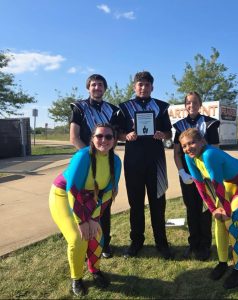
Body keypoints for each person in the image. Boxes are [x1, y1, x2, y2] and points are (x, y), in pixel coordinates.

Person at [179, 128, 238, 289]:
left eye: (192, 143)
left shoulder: (210, 154)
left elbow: (217, 185)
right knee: (219, 221)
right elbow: (200, 186)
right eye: (184, 146)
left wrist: (225, 210)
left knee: (232, 221)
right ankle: (222, 263)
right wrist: (213, 210)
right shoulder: (189, 157)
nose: (188, 148)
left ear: (202, 141)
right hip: (230, 182)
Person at [49, 124, 122, 296]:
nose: (103, 140)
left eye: (109, 137)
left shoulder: (116, 161)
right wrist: (82, 221)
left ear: (114, 141)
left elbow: (109, 192)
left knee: (97, 235)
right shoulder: (83, 156)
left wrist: (94, 219)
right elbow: (72, 190)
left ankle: (94, 270)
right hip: (63, 196)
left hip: (90, 197)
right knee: (78, 238)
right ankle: (77, 278)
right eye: (99, 136)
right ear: (92, 138)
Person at [117, 71, 173, 260]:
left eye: (147, 84)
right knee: (136, 204)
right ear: (134, 86)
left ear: (152, 87)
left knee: (158, 203)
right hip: (133, 162)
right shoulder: (124, 107)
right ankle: (136, 242)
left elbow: (169, 133)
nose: (143, 87)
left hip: (156, 161)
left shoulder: (162, 106)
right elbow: (118, 134)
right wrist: (127, 136)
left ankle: (161, 242)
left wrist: (163, 135)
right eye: (140, 84)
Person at [69, 74, 119, 259]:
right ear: (88, 88)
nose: (97, 87)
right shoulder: (79, 107)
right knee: (81, 202)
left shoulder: (113, 110)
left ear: (105, 88)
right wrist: (91, 157)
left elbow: (116, 135)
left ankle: (104, 244)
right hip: (85, 160)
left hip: (107, 160)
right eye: (93, 84)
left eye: (100, 85)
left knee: (104, 203)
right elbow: (74, 137)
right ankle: (83, 243)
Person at [173, 91, 220, 261]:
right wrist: (181, 172)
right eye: (188, 103)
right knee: (191, 208)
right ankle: (193, 243)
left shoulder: (209, 124)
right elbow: (177, 153)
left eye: (194, 102)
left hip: (206, 176)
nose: (191, 105)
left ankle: (205, 245)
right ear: (185, 105)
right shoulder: (179, 126)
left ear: (200, 104)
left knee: (206, 209)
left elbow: (215, 150)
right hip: (188, 175)